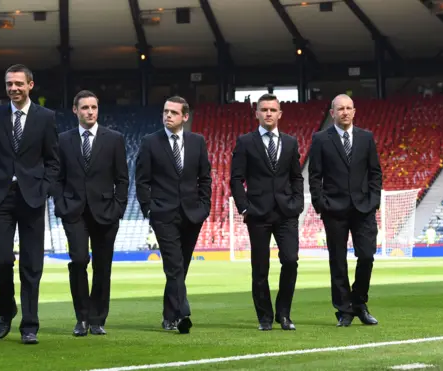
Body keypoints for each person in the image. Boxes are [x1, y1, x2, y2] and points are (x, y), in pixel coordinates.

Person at [0, 64, 59, 344]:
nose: (14, 88)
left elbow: (53, 160)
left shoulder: (46, 118)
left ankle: (30, 325)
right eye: (9, 83)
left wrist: (44, 188)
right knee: (1, 259)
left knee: (32, 264)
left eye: (19, 84)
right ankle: (6, 308)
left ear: (30, 85)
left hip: (32, 197)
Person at [53, 90, 129, 336]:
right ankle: (81, 318)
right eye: (84, 107)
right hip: (73, 211)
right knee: (78, 261)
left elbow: (122, 179)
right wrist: (61, 203)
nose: (90, 112)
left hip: (106, 212)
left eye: (94, 107)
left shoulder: (114, 139)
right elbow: (57, 177)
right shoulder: (63, 140)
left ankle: (97, 319)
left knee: (102, 266)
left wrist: (118, 208)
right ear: (75, 110)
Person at [135, 96, 212, 334]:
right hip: (163, 214)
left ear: (185, 117)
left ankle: (169, 316)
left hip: (192, 214)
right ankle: (182, 314)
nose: (168, 116)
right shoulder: (150, 142)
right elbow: (142, 179)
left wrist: (204, 207)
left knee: (181, 268)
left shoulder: (197, 141)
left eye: (174, 113)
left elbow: (205, 178)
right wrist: (149, 208)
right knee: (174, 266)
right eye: (165, 111)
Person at [230, 93, 304, 331]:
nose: (268, 113)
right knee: (260, 267)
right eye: (264, 110)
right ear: (257, 114)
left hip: (286, 213)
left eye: (273, 110)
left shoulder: (291, 142)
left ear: (280, 113)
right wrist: (244, 207)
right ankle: (264, 317)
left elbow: (296, 176)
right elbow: (235, 179)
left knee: (291, 261)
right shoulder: (245, 142)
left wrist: (297, 204)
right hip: (258, 214)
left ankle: (284, 314)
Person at [308, 94, 382, 327]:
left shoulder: (366, 137)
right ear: (332, 113)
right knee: (337, 261)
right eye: (340, 109)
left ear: (354, 111)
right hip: (334, 209)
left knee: (367, 256)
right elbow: (315, 175)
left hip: (364, 209)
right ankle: (344, 310)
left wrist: (373, 201)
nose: (345, 112)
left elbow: (375, 173)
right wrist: (321, 204)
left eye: (349, 108)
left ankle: (359, 303)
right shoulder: (320, 139)